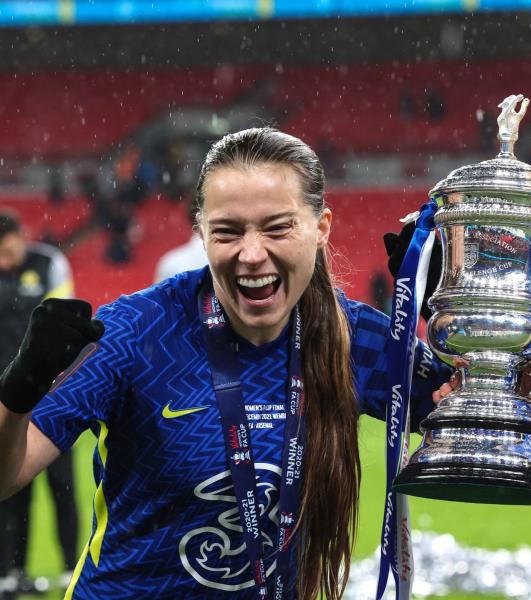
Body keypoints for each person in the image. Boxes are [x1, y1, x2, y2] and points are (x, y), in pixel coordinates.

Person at [0, 128, 450, 600]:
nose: (252, 255)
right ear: (201, 233)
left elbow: (482, 430)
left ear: (321, 228)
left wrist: (445, 316)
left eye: (278, 227)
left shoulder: (355, 339)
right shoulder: (134, 334)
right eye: (227, 231)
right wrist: (17, 390)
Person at [0, 211, 78, 597]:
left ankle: (69, 569)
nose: (3, 258)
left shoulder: (48, 263)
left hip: (51, 399)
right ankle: (11, 572)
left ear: (20, 236)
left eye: (7, 246)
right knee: (10, 489)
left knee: (62, 484)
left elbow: (62, 323)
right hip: (4, 403)